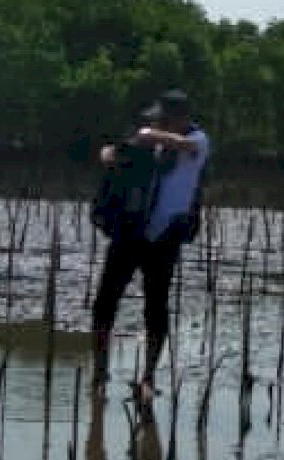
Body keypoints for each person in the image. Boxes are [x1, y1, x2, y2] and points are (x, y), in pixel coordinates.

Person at [91, 89, 210, 404]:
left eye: (165, 119)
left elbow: (180, 144)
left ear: (181, 118)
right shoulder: (147, 146)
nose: (159, 124)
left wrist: (147, 135)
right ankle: (100, 373)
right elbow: (111, 154)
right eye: (158, 120)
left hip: (165, 235)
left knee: (156, 306)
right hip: (131, 230)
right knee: (105, 302)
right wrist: (111, 153)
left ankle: (148, 377)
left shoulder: (197, 141)